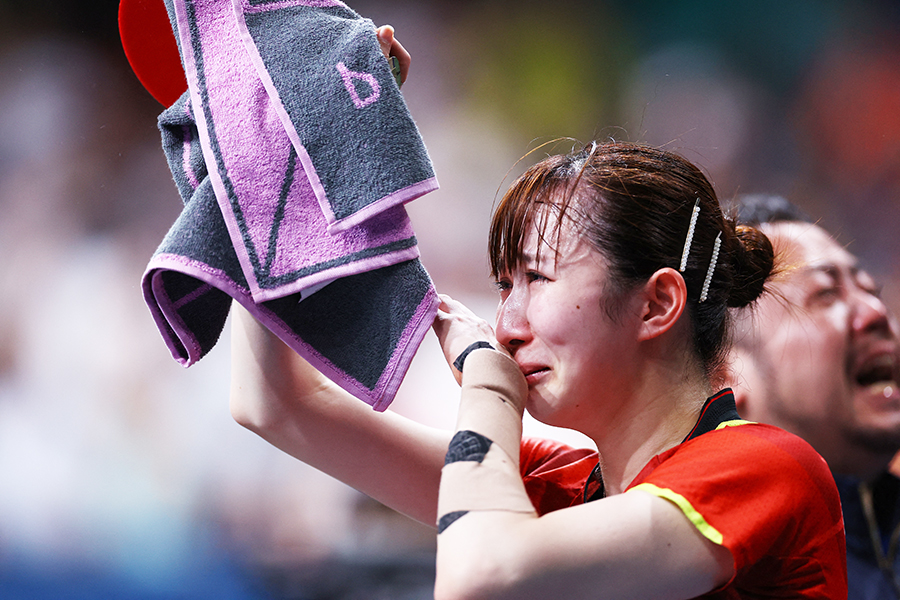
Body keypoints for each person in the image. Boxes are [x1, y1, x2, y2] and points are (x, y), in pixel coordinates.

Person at [728, 193, 900, 599]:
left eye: (870, 290)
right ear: (728, 374)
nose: (876, 312)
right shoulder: (706, 574)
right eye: (826, 294)